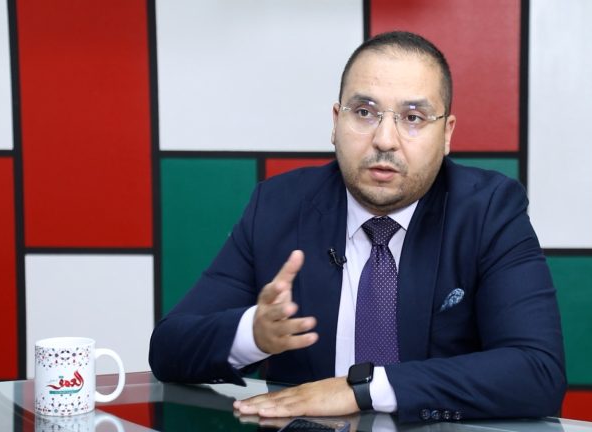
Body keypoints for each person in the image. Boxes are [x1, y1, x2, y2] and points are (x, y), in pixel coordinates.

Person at [149, 31, 566, 423]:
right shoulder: (278, 207)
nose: (385, 139)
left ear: (446, 134)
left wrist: (363, 390)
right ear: (336, 122)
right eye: (364, 113)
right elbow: (168, 350)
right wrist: (253, 334)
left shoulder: (487, 211)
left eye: (413, 117)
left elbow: (537, 372)